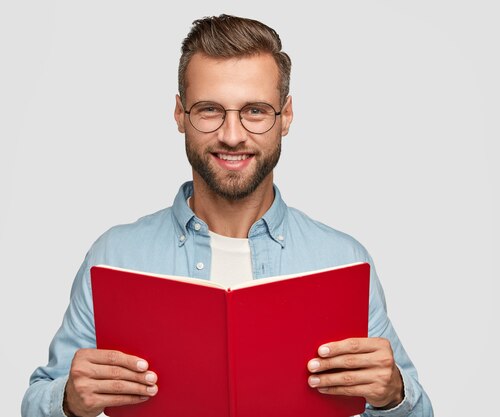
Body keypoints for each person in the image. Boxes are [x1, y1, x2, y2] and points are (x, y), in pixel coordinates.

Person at [22, 14, 433, 417]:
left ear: (285, 116)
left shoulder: (343, 260)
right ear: (180, 114)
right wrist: (69, 402)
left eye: (254, 111)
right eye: (209, 110)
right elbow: (38, 400)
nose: (232, 135)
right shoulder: (114, 256)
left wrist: (393, 394)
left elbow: (418, 411)